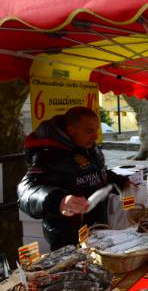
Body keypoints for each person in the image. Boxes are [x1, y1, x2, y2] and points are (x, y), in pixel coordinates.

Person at [17, 107, 130, 250]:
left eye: (96, 130)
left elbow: (99, 173)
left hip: (98, 231)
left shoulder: (87, 147)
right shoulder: (48, 155)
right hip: (68, 239)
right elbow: (26, 190)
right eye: (89, 131)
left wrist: (121, 181)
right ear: (71, 130)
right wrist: (59, 201)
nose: (95, 136)